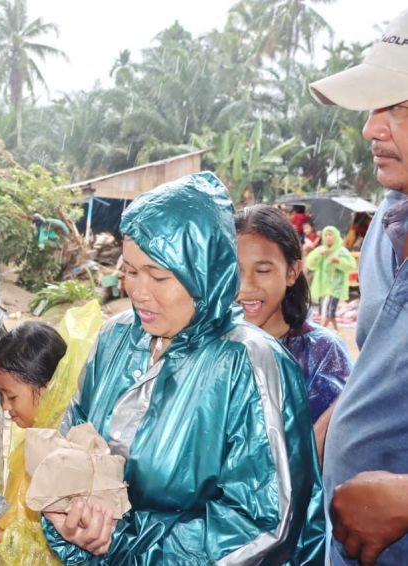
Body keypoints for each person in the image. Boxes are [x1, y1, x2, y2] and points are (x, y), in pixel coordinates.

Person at [41, 172, 324, 564]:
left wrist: (127, 544)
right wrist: (71, 518)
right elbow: (70, 445)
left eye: (158, 276)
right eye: (131, 271)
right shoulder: (117, 339)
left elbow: (265, 524)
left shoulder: (249, 362)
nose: (139, 292)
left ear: (205, 272)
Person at [309, 8, 408, 564]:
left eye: (401, 108)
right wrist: (332, 428)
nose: (371, 127)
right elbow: (382, 366)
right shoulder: (386, 227)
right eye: (375, 106)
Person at [0, 301, 102, 565]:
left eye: (11, 396)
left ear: (45, 389)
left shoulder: (66, 455)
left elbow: (56, 556)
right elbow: (26, 521)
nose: (5, 407)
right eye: (1, 395)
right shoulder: (35, 435)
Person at [235, 205, 352, 426]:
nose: (246, 286)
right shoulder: (213, 348)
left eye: (262, 271)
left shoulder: (323, 353)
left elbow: (333, 445)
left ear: (292, 272)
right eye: (235, 271)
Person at [305, 226, 356, 332]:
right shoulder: (320, 250)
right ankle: (336, 330)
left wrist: (339, 261)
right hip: (322, 286)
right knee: (327, 310)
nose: (328, 237)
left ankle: (320, 332)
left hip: (336, 286)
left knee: (326, 310)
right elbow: (310, 264)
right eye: (326, 235)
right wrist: (319, 255)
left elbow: (351, 266)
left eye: (330, 234)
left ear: (336, 236)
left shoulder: (342, 251)